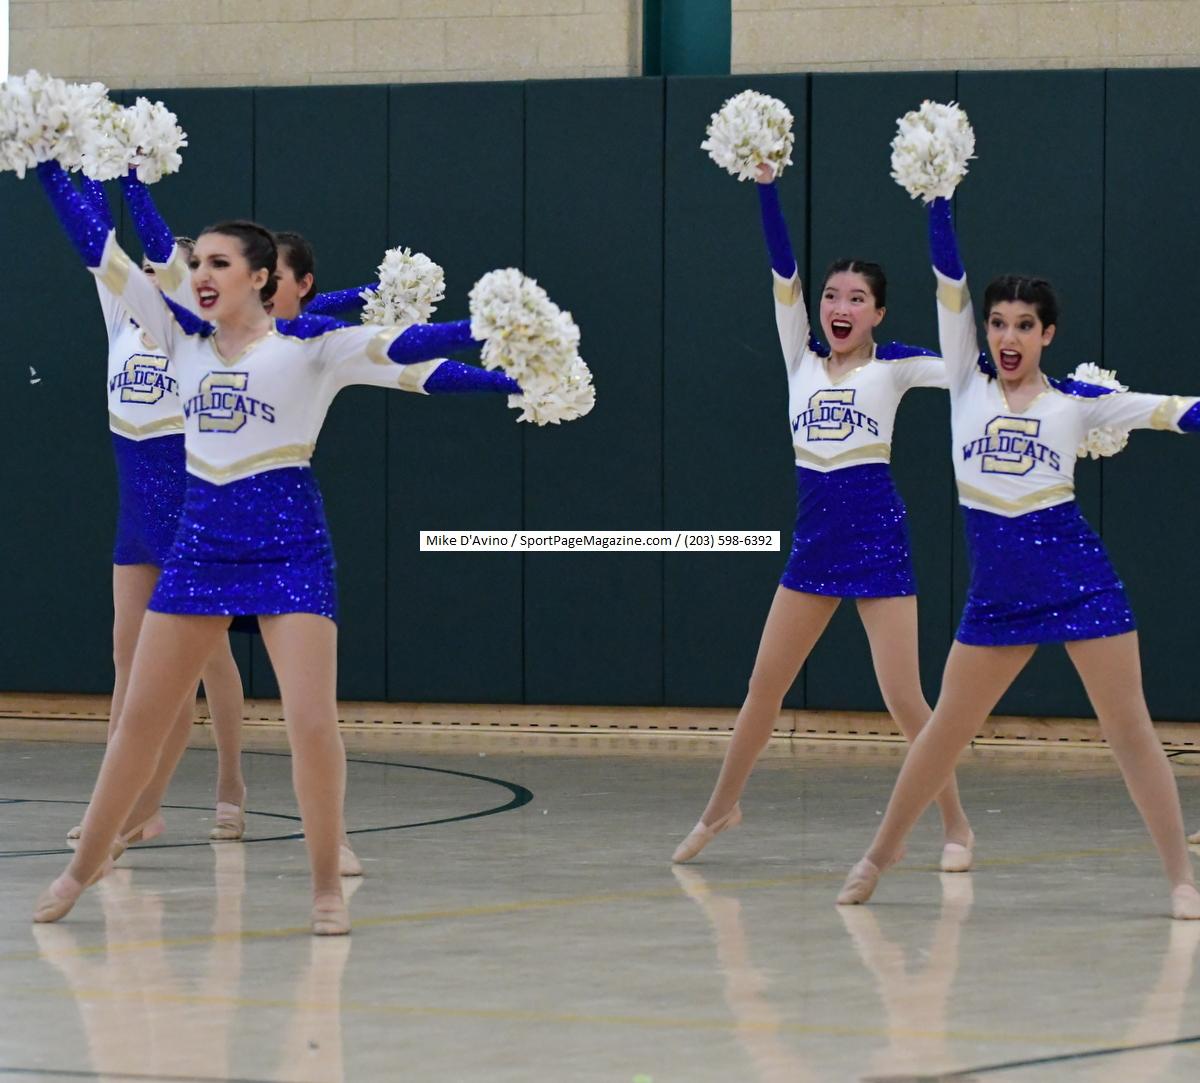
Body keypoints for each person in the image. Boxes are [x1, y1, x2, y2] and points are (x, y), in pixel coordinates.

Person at [33, 159, 522, 934]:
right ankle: (79, 868)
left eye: (218, 263)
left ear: (262, 278)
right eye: (197, 263)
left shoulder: (311, 346)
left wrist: (505, 348)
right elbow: (99, 249)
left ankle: (325, 885)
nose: (200, 274)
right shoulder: (176, 335)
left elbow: (415, 353)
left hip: (291, 550)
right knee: (140, 719)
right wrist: (42, 158)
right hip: (199, 549)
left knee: (311, 722)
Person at [836, 194, 1200, 920]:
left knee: (1130, 730)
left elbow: (1174, 411)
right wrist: (938, 199)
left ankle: (1181, 878)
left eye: (1024, 325)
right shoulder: (964, 382)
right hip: (999, 597)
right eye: (998, 322)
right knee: (944, 732)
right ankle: (880, 853)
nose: (1008, 335)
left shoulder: (1075, 403)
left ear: (1047, 334)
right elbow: (949, 282)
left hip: (1080, 582)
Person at [673, 163, 973, 871]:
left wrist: (940, 209)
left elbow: (968, 367)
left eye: (857, 298)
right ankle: (720, 808)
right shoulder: (799, 359)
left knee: (906, 698)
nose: (840, 306)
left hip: (878, 541)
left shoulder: (896, 366)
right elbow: (783, 269)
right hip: (814, 545)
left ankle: (957, 827)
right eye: (832, 295)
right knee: (763, 688)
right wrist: (765, 185)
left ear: (878, 314)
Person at [65, 175, 245, 849]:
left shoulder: (194, 339)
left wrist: (136, 181)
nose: (143, 275)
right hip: (136, 516)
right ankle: (124, 804)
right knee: (127, 658)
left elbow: (164, 256)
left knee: (206, 662)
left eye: (159, 269)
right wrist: (91, 162)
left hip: (191, 511)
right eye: (139, 270)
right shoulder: (121, 321)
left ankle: (229, 784)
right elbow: (98, 241)